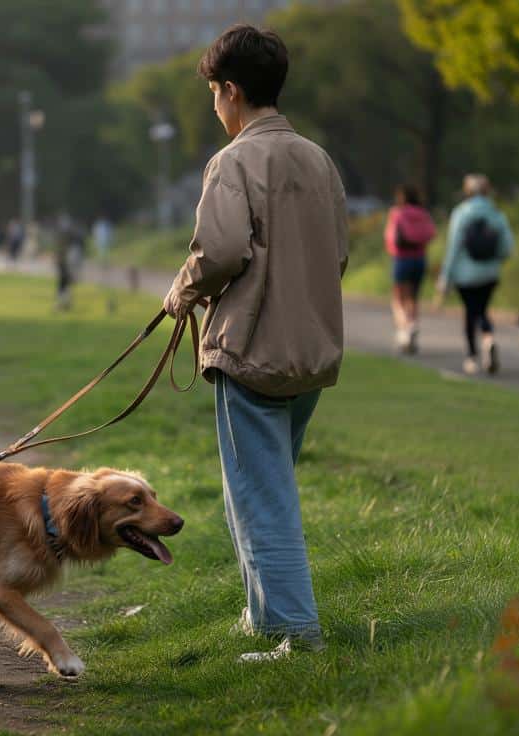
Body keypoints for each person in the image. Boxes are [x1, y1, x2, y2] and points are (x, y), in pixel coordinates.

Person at [162, 24, 349, 662]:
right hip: (312, 353)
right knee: (260, 491)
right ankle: (264, 619)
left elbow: (219, 250)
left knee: (261, 500)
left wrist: (182, 292)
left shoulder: (234, 161)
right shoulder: (319, 159)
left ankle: (296, 634)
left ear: (232, 91)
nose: (215, 107)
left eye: (214, 94)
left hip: (251, 353)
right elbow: (338, 253)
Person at [436, 174, 514, 375]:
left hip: (465, 274)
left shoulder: (461, 213)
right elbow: (507, 247)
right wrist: (494, 260)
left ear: (467, 192)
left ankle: (472, 356)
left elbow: (453, 248)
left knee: (471, 312)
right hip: (490, 273)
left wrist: (445, 277)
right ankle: (489, 339)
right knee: (482, 309)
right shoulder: (496, 213)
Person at [384, 185, 435, 354]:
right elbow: (431, 234)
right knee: (413, 298)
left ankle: (404, 330)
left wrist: (392, 250)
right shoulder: (423, 213)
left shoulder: (397, 213)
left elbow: (390, 237)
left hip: (402, 259)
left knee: (398, 298)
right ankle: (413, 324)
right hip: (419, 259)